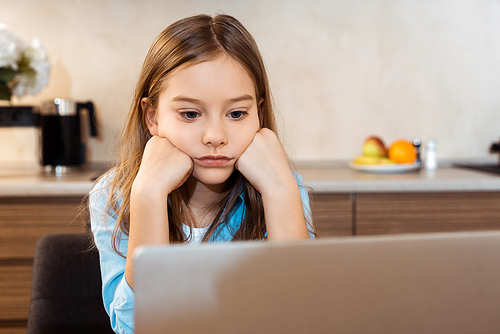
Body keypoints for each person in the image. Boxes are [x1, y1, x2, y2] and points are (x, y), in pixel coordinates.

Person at [89, 13, 317, 334]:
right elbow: (136, 327)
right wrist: (148, 195)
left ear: (259, 114)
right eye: (191, 114)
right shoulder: (113, 194)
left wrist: (280, 194)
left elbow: (302, 319)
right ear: (152, 117)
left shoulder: (283, 186)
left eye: (237, 113)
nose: (215, 135)